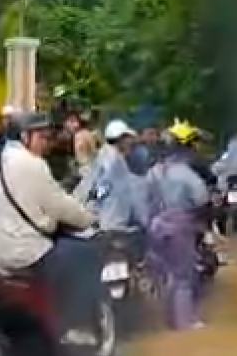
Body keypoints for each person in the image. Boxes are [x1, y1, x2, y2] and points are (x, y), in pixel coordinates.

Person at [0, 111, 103, 345]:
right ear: (24, 137)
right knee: (84, 255)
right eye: (42, 137)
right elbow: (60, 205)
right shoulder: (33, 165)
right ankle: (75, 326)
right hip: (26, 255)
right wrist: (89, 219)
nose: (46, 144)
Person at [146, 120, 212, 331]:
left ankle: (167, 321)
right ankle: (186, 324)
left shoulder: (154, 171)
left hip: (155, 226)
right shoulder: (186, 174)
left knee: (165, 275)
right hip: (179, 227)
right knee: (183, 276)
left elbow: (145, 199)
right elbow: (202, 199)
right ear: (186, 149)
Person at [74, 119, 147, 232]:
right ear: (120, 139)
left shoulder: (106, 155)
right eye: (127, 138)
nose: (131, 142)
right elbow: (104, 188)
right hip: (111, 226)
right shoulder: (114, 162)